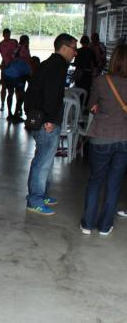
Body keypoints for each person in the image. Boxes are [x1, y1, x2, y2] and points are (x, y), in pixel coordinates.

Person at [25, 33, 77, 216]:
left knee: (45, 160)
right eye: (74, 48)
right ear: (64, 48)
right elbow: (50, 95)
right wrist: (48, 119)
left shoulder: (49, 64)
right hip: (47, 122)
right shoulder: (57, 66)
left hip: (43, 119)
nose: (75, 53)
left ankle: (41, 194)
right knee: (42, 162)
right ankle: (35, 200)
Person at [80, 44, 127, 236]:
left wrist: (99, 108)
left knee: (95, 181)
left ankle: (88, 224)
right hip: (124, 138)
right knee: (114, 183)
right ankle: (105, 226)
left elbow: (91, 105)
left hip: (101, 136)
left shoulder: (101, 81)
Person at [3, 34, 32, 123]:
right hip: (18, 75)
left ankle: (9, 114)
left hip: (8, 74)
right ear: (26, 41)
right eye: (28, 41)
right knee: (21, 94)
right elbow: (28, 62)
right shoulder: (25, 49)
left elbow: (10, 59)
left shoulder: (16, 48)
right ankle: (16, 114)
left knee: (10, 93)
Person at [0, 28, 19, 112]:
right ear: (3, 35)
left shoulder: (14, 42)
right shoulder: (0, 45)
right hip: (5, 67)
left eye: (8, 35)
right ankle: (2, 104)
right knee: (4, 86)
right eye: (6, 35)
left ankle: (18, 106)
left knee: (16, 87)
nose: (7, 37)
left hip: (14, 67)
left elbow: (19, 51)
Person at [74, 35, 97, 103]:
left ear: (81, 42)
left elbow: (75, 63)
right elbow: (94, 64)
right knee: (86, 91)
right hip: (87, 73)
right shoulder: (91, 51)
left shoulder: (78, 51)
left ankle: (77, 105)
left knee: (78, 91)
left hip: (78, 73)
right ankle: (84, 106)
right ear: (88, 42)